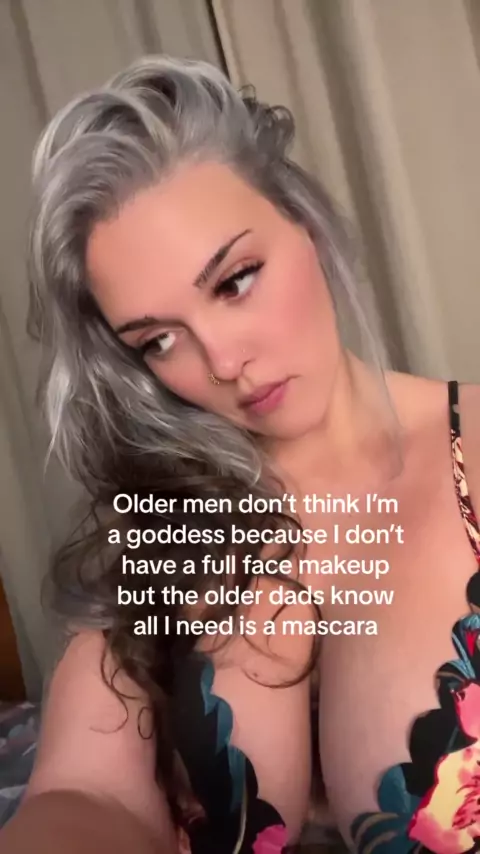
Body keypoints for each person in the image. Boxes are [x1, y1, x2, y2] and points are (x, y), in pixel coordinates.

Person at [2, 54, 480, 854]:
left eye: (235, 281)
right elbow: (85, 791)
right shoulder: (165, 526)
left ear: (305, 223)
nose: (223, 361)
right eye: (159, 340)